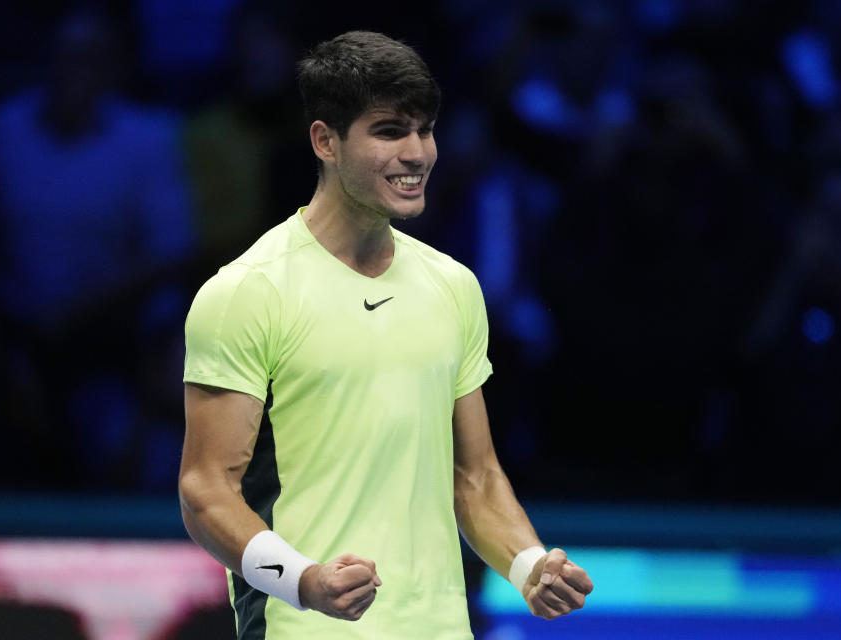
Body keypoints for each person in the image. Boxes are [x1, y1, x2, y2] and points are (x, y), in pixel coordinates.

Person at [178, 31, 593, 639]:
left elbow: (474, 478)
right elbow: (205, 491)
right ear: (325, 141)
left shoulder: (453, 286)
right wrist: (304, 581)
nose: (418, 152)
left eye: (425, 130)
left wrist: (528, 564)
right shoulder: (247, 292)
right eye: (390, 131)